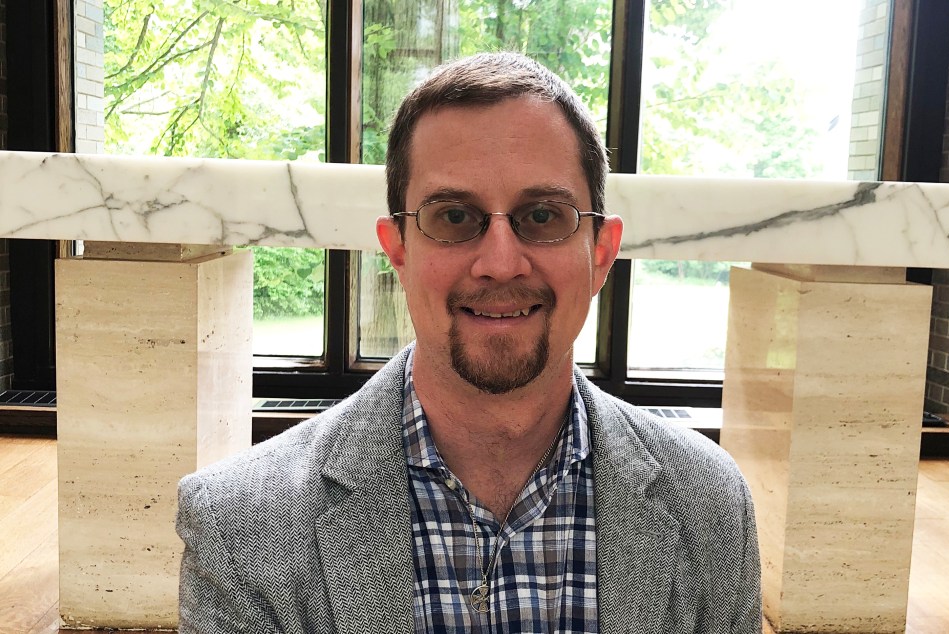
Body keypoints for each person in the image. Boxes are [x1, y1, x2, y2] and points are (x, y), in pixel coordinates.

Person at [177, 52, 761, 633]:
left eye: (543, 216)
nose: (501, 263)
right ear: (398, 249)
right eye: (455, 216)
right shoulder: (241, 529)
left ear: (601, 253)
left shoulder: (708, 507)